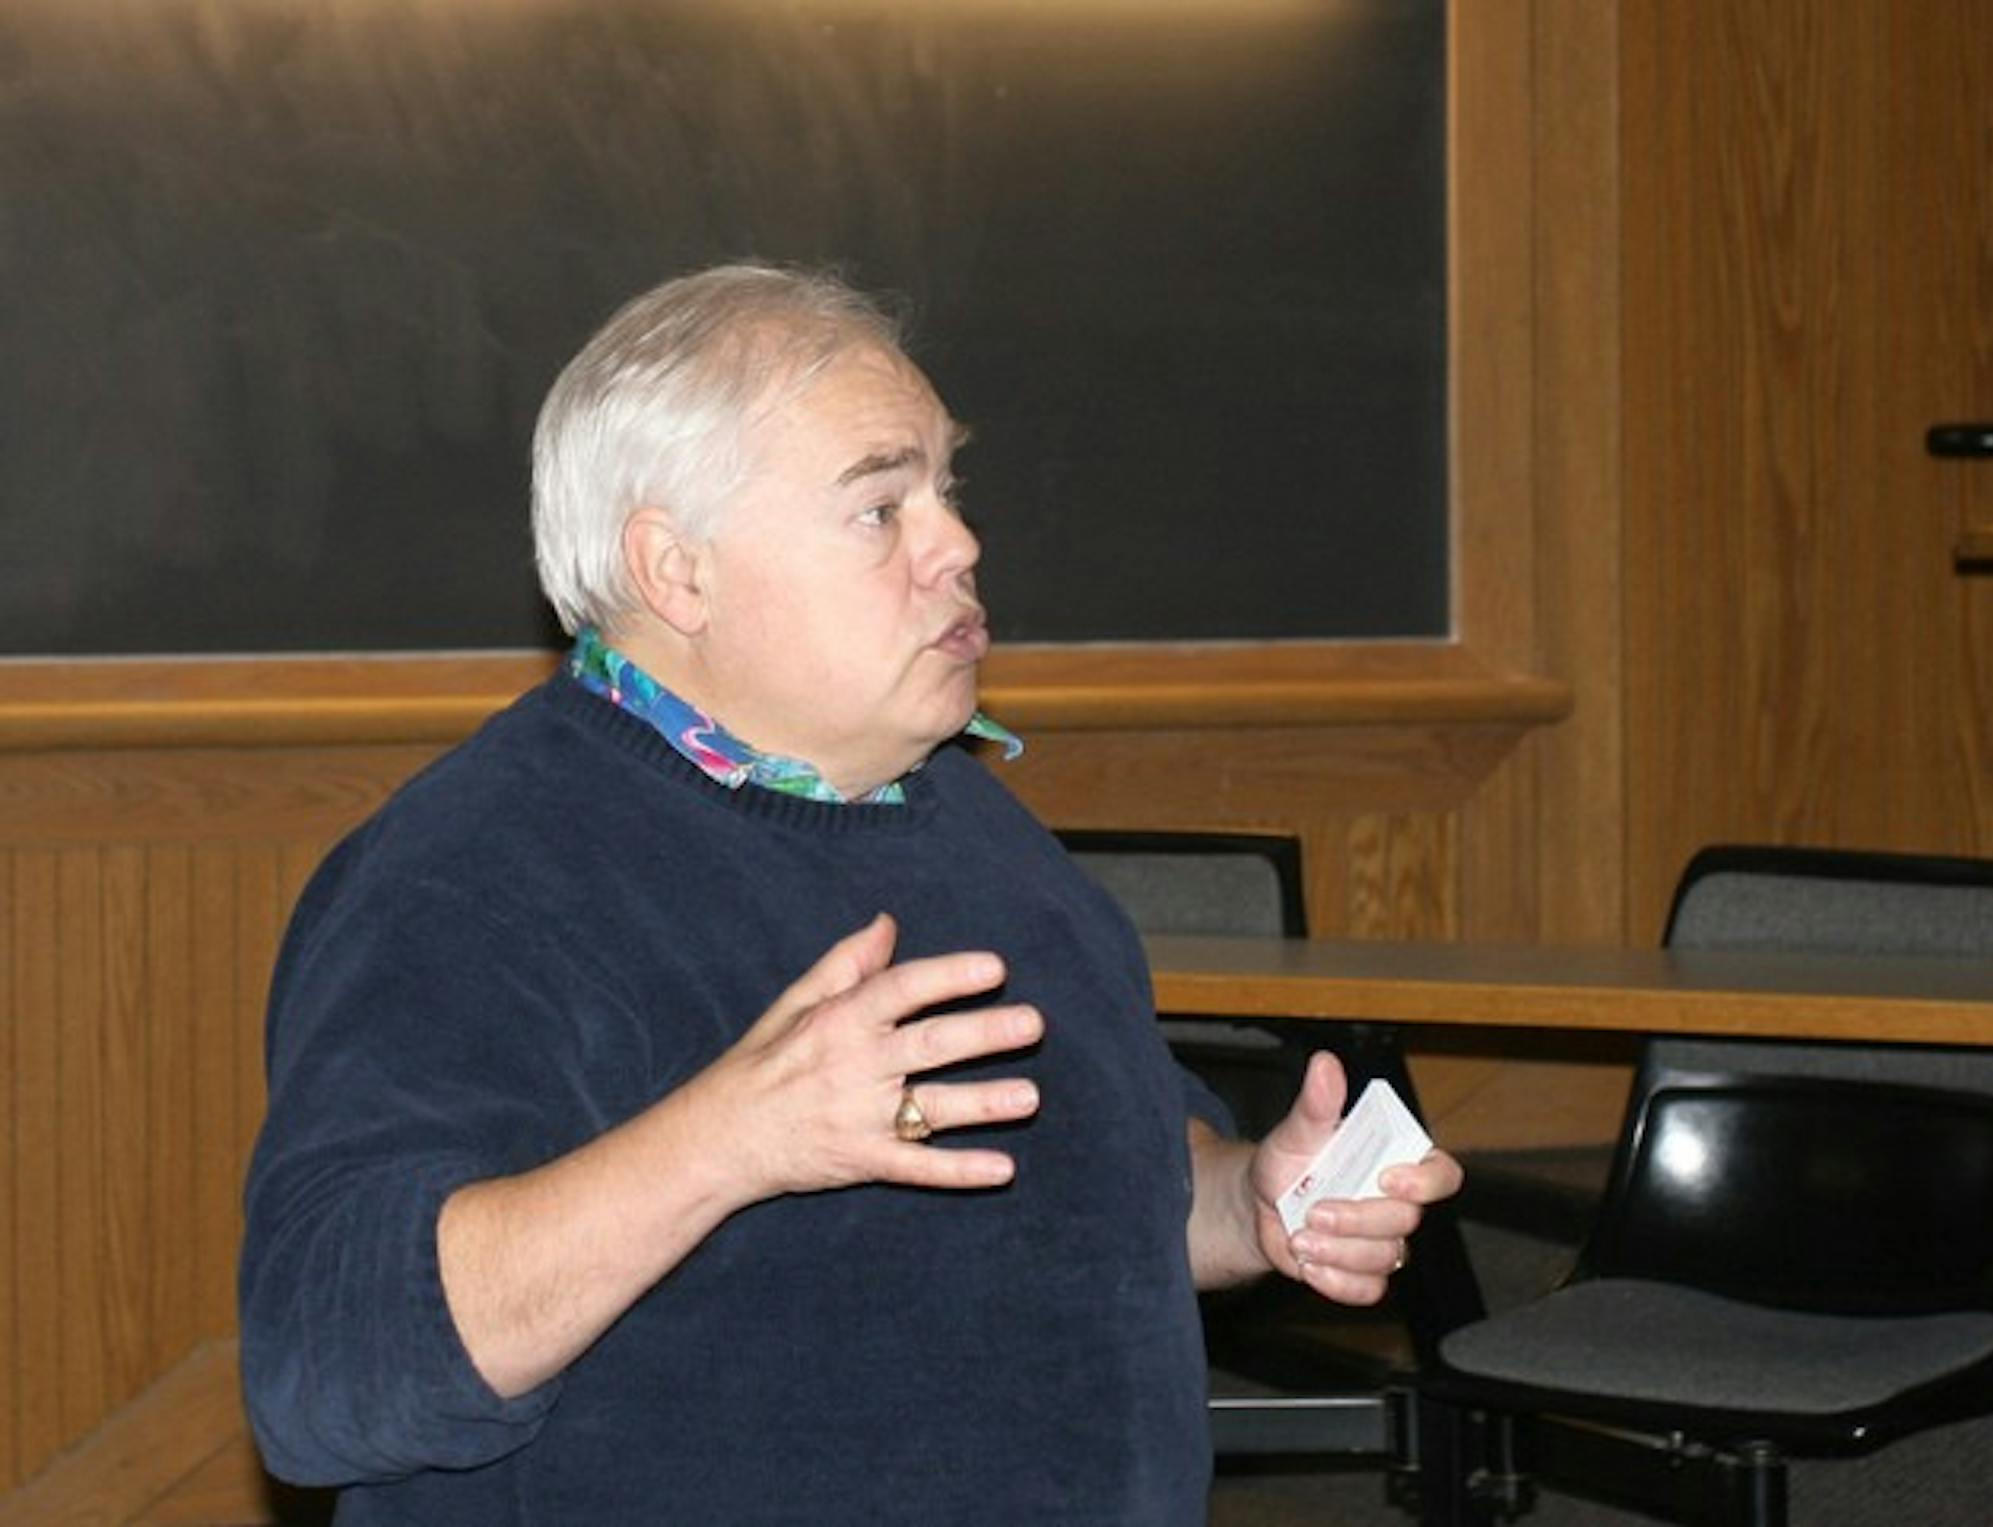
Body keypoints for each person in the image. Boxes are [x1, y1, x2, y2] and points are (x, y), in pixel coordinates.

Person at [238, 263, 1464, 1525]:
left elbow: (1105, 1200)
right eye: (880, 507)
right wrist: (728, 1141)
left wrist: (1251, 1202)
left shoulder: (966, 822)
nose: (958, 544)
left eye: (946, 487)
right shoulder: (471, 874)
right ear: (677, 571)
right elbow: (330, 1368)